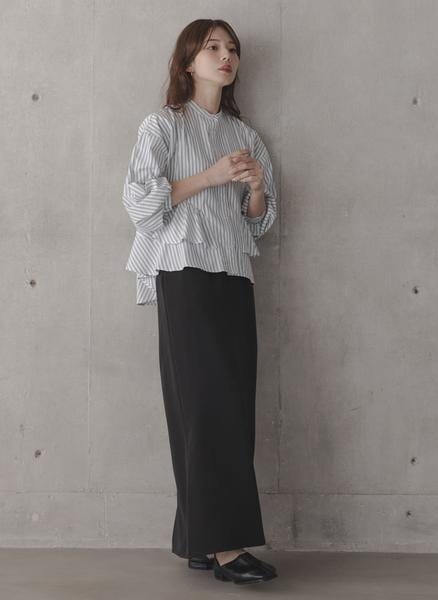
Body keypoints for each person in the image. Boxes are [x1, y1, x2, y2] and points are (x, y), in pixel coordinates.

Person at [122, 19, 279, 585]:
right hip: (184, 272)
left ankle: (199, 540)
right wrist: (209, 176)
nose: (225, 55)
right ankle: (227, 548)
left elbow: (260, 223)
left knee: (229, 407)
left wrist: (255, 188)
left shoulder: (245, 134)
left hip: (234, 274)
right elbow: (140, 204)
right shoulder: (163, 125)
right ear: (188, 60)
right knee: (205, 407)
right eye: (212, 47)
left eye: (231, 48)